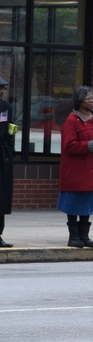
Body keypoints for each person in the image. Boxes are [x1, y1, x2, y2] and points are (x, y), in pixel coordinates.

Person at [57, 86, 93, 248]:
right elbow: (69, 145)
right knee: (74, 203)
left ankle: (84, 236)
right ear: (80, 100)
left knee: (87, 204)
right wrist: (90, 144)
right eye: (89, 98)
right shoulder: (72, 121)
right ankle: (73, 236)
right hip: (76, 170)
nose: (92, 101)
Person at [0, 76, 14, 248]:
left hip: (3, 153)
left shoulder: (5, 107)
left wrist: (10, 151)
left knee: (2, 196)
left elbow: (11, 130)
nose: (2, 91)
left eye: (3, 88)